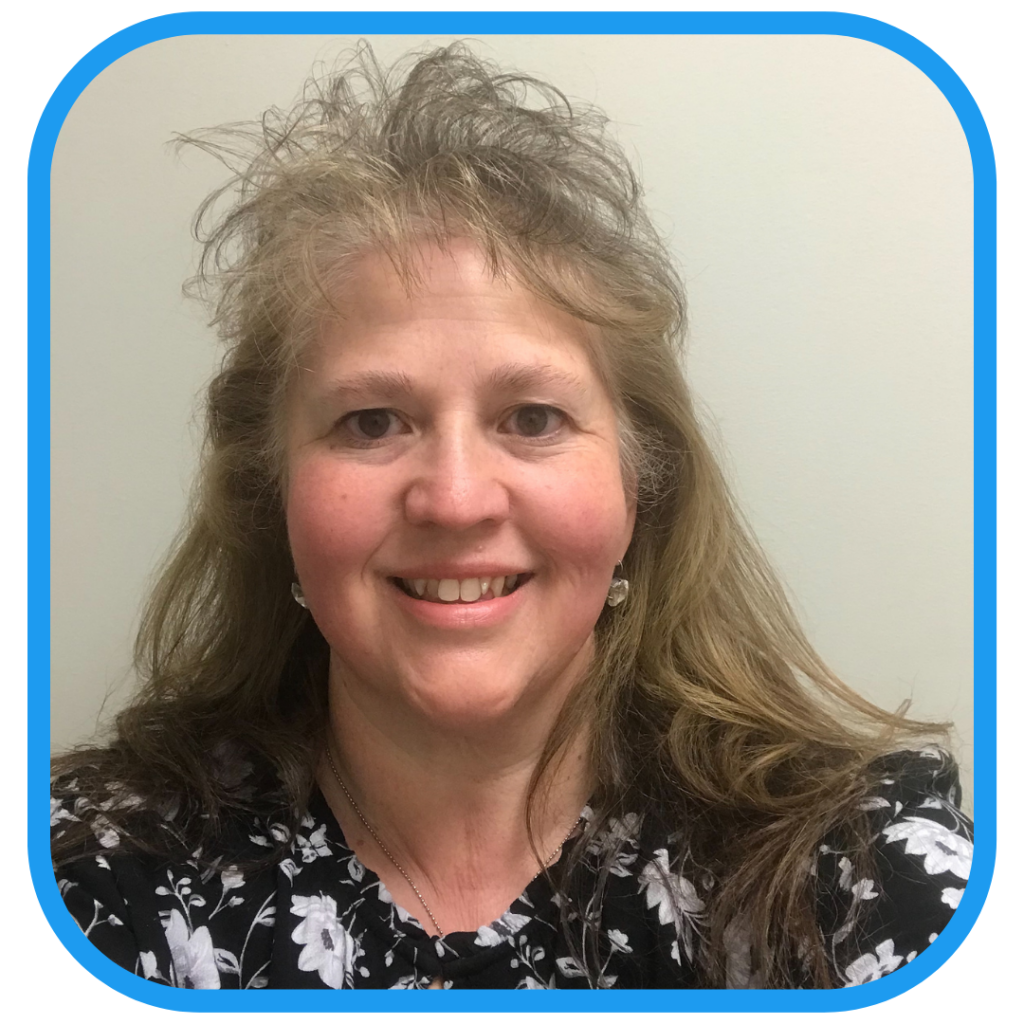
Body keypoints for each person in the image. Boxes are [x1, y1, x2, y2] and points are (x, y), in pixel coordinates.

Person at [51, 43, 972, 990]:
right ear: (270, 496)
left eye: (533, 419)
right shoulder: (89, 877)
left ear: (641, 487)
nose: (455, 500)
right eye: (372, 422)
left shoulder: (861, 869)